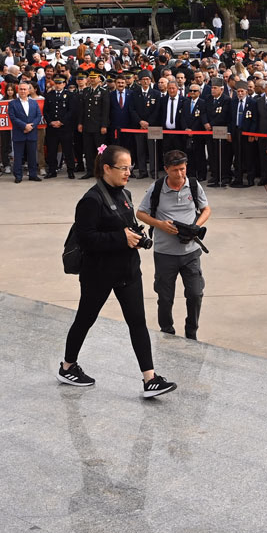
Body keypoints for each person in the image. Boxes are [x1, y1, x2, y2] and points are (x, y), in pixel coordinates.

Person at [59, 145, 176, 398]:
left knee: (138, 323)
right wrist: (120, 238)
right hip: (98, 274)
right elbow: (87, 239)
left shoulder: (125, 194)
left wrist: (135, 236)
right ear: (106, 169)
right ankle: (67, 366)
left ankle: (150, 379)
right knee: (85, 319)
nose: (128, 172)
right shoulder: (91, 200)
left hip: (128, 271)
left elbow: (126, 226)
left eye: (129, 167)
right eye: (123, 168)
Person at [136, 149, 211, 340]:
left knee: (195, 294)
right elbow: (141, 213)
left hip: (191, 252)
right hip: (164, 253)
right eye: (175, 170)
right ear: (166, 169)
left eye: (183, 169)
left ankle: (191, 332)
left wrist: (195, 226)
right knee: (165, 297)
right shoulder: (156, 188)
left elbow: (206, 209)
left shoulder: (193, 186)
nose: (180, 174)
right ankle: (167, 332)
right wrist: (160, 224)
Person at [7, 80, 43, 183]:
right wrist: (24, 126)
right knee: (18, 156)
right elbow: (13, 117)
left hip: (32, 132)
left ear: (28, 91)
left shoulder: (34, 103)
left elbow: (38, 116)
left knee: (32, 155)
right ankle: (18, 176)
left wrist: (31, 126)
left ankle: (33, 174)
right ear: (18, 90)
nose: (23, 91)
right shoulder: (13, 103)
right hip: (19, 133)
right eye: (21, 89)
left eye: (25, 89)